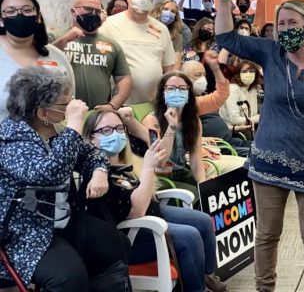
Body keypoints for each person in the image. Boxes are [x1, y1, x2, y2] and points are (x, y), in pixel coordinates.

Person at [215, 0, 304, 291]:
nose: (286, 28)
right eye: (282, 23)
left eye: (292, 22)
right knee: (267, 234)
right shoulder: (270, 52)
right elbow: (227, 40)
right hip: (268, 160)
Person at [0, 67, 126, 291]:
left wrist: (100, 171)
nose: (74, 106)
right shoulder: (12, 140)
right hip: (21, 234)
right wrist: (75, 124)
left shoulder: (51, 130)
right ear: (43, 113)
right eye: (65, 104)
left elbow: (88, 153)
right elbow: (49, 174)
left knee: (114, 243)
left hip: (56, 220)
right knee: (68, 277)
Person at [83, 109, 230, 292]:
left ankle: (206, 276)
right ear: (90, 138)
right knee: (189, 236)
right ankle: (197, 288)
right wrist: (148, 168)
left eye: (120, 128)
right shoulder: (96, 175)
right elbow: (135, 211)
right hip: (130, 234)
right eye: (106, 130)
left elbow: (155, 169)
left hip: (150, 214)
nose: (115, 134)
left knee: (203, 220)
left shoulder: (127, 161)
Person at [0, 0, 75, 120]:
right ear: (1, 20)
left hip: (52, 138)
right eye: (10, 11)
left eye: (27, 10)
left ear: (38, 16)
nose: (20, 15)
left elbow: (70, 102)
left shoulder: (56, 56)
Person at [49, 0, 132, 111]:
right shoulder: (55, 36)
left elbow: (124, 78)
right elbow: (39, 62)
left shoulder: (112, 45)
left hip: (97, 117)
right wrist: (64, 40)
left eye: (97, 11)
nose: (93, 14)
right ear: (73, 12)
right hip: (60, 114)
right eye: (88, 9)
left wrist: (113, 105)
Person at [99, 0, 177, 104]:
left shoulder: (161, 29)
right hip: (118, 104)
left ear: (152, 0)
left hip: (151, 104)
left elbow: (169, 68)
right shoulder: (109, 24)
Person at [142, 72, 206, 192]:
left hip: (181, 172)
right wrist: (171, 127)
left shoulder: (194, 121)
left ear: (188, 93)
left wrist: (203, 186)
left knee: (210, 194)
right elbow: (161, 162)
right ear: (163, 92)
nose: (177, 92)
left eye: (182, 89)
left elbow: (196, 159)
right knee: (195, 197)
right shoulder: (151, 120)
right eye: (171, 89)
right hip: (159, 178)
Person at [219, 60, 262, 136]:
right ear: (238, 74)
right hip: (232, 132)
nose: (248, 74)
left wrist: (255, 118)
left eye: (251, 71)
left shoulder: (253, 89)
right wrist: (257, 119)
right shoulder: (232, 89)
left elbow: (253, 113)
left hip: (248, 129)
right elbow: (234, 119)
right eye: (244, 71)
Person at [151, 0, 187, 69]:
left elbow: (176, 63)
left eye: (173, 11)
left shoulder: (177, 37)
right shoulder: (147, 29)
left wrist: (170, 78)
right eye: (165, 9)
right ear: (158, 10)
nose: (169, 13)